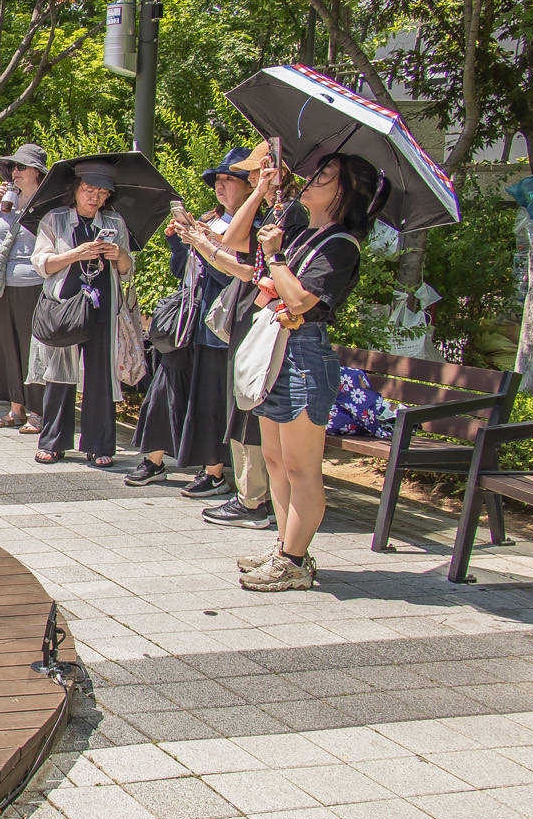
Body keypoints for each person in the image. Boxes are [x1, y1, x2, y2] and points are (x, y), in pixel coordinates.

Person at [218, 154, 380, 591]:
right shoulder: (305, 232)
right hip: (278, 349)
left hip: (305, 355)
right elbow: (234, 241)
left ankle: (293, 559)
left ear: (344, 191)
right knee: (274, 460)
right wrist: (262, 189)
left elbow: (302, 301)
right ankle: (287, 547)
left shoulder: (341, 244)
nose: (311, 180)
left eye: (324, 176)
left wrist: (275, 258)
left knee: (301, 466)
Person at [127, 150, 258, 496]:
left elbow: (233, 275)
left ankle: (213, 471)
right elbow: (183, 272)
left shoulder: (252, 229)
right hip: (186, 322)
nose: (221, 185)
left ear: (249, 187)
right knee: (164, 389)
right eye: (218, 179)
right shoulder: (208, 220)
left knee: (209, 399)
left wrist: (201, 245)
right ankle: (154, 461)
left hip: (219, 328)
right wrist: (178, 241)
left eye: (230, 179)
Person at [30, 162, 135, 466]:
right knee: (60, 377)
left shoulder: (115, 221)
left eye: (102, 193)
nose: (95, 197)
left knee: (101, 377)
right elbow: (43, 265)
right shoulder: (55, 219)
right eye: (89, 190)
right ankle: (52, 442)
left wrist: (120, 256)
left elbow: (128, 271)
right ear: (75, 189)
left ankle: (99, 444)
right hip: (65, 307)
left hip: (102, 307)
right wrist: (77, 254)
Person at [0, 144, 49, 431]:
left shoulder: (48, 204)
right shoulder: (9, 198)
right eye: (13, 167)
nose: (15, 172)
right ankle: (15, 409)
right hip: (1, 285)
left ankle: (37, 412)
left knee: (31, 348)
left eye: (21, 167)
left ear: (37, 172)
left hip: (34, 283)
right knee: (5, 347)